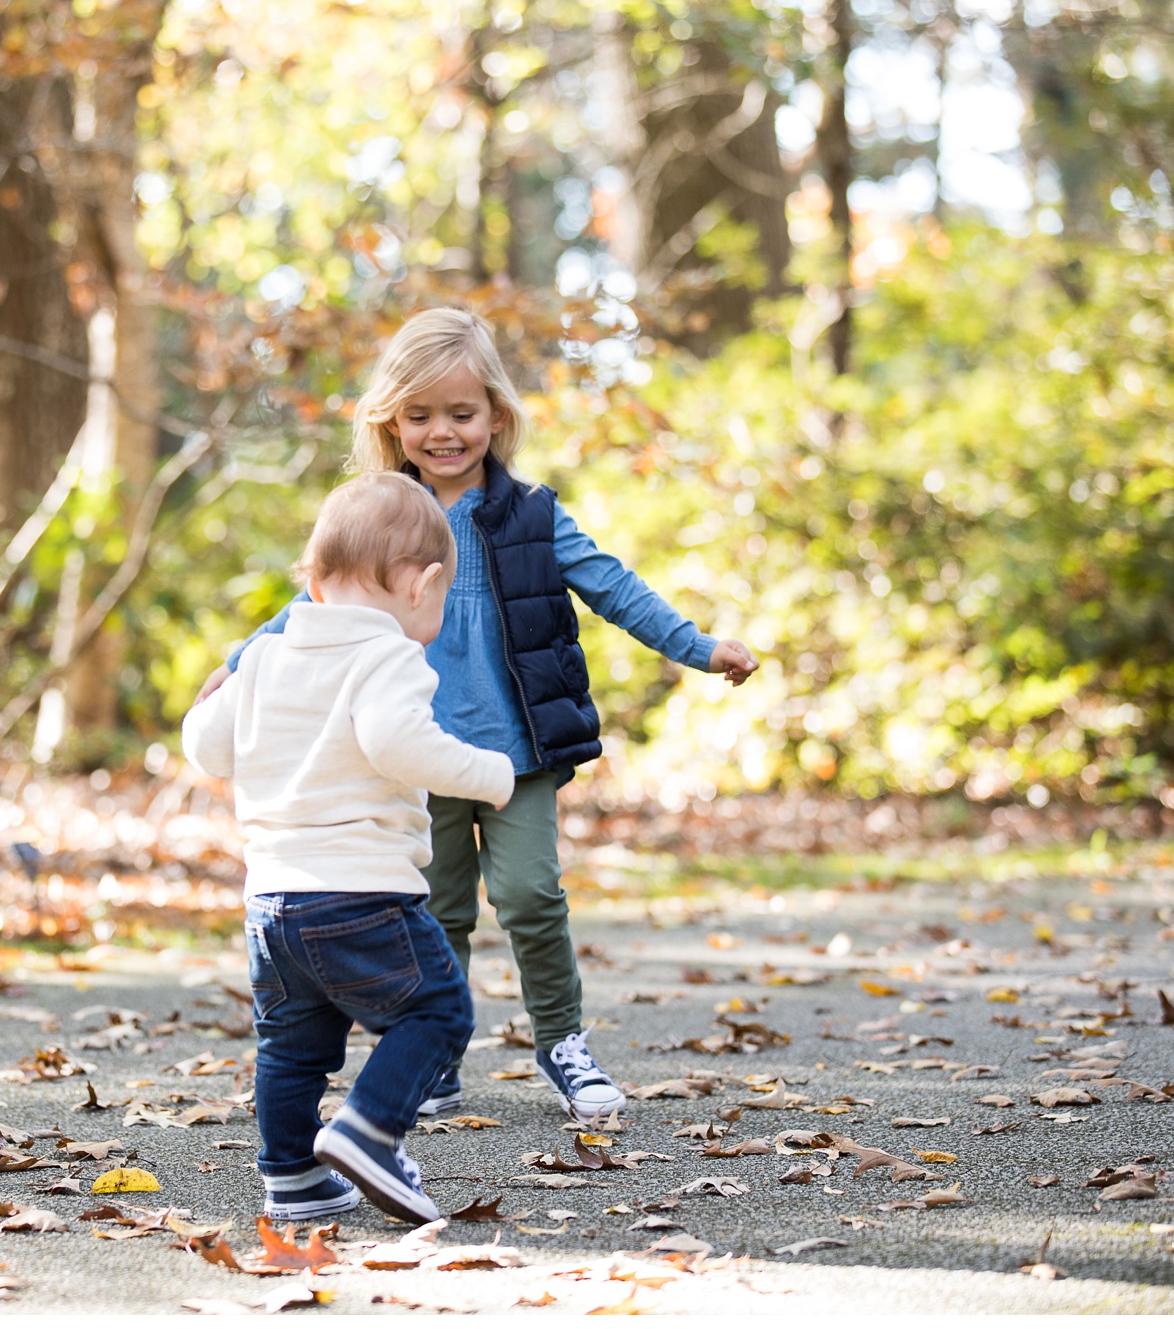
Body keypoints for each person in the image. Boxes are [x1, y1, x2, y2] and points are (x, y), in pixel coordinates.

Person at [197, 307, 759, 1124]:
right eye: (420, 415)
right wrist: (241, 661)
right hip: (411, 752)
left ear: (497, 414)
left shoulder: (531, 514)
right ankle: (438, 1055)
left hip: (517, 748)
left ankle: (562, 1040)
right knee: (435, 910)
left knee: (531, 895)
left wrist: (697, 646)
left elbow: (612, 584)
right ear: (391, 420)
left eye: (462, 414)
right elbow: (312, 602)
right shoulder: (382, 513)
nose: (443, 432)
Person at [182, 472, 515, 1226]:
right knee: (436, 1010)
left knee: (292, 1048)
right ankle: (370, 1129)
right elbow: (399, 741)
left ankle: (292, 1178)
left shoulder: (263, 656)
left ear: (315, 580)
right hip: (362, 893)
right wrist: (489, 773)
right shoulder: (389, 653)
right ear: (422, 584)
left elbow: (204, 742)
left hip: (272, 904)